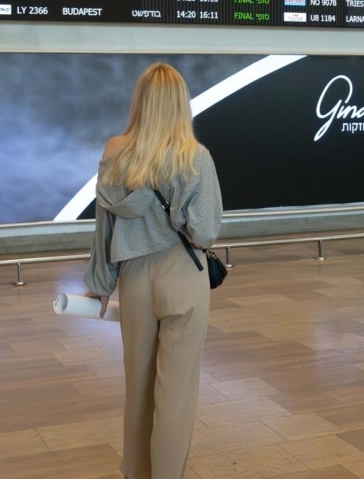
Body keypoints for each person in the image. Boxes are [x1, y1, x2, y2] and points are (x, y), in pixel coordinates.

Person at [84, 62, 223, 479]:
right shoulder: (195, 156)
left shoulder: (115, 152)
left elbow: (104, 227)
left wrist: (100, 285)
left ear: (141, 100)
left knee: (139, 391)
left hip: (134, 279)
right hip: (183, 276)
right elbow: (206, 232)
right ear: (180, 103)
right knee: (175, 397)